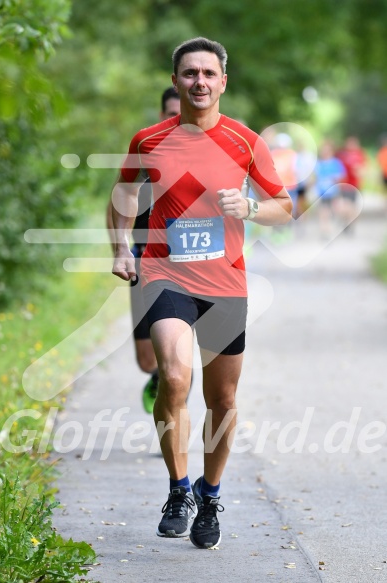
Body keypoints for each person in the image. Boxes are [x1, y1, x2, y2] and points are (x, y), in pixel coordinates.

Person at [110, 37, 292, 549]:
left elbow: (284, 205)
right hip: (165, 273)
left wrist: (251, 209)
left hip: (226, 282)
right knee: (173, 376)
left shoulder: (245, 141)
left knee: (223, 397)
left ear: (223, 82)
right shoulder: (149, 139)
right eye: (189, 74)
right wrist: (121, 248)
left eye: (209, 74)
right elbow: (123, 193)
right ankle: (179, 489)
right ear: (175, 81)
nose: (199, 83)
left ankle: (211, 496)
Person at [107, 87, 181, 414]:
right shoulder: (148, 150)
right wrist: (120, 249)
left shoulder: (210, 152)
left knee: (178, 355)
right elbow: (117, 199)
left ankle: (175, 415)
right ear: (161, 114)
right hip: (145, 262)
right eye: (171, 113)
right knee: (147, 358)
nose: (178, 119)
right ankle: (158, 379)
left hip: (192, 266)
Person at [314, 140, 346, 238]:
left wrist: (335, 179)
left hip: (333, 192)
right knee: (323, 212)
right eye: (323, 150)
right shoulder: (319, 164)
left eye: (327, 150)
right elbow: (315, 177)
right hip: (322, 192)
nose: (325, 152)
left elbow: (341, 176)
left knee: (335, 211)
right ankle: (325, 231)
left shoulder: (336, 163)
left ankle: (335, 227)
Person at [336, 136, 367, 230]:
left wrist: (358, 170)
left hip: (356, 185)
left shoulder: (360, 154)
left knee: (353, 205)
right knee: (345, 204)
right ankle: (346, 221)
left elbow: (363, 169)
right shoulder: (342, 155)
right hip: (345, 185)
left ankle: (350, 223)